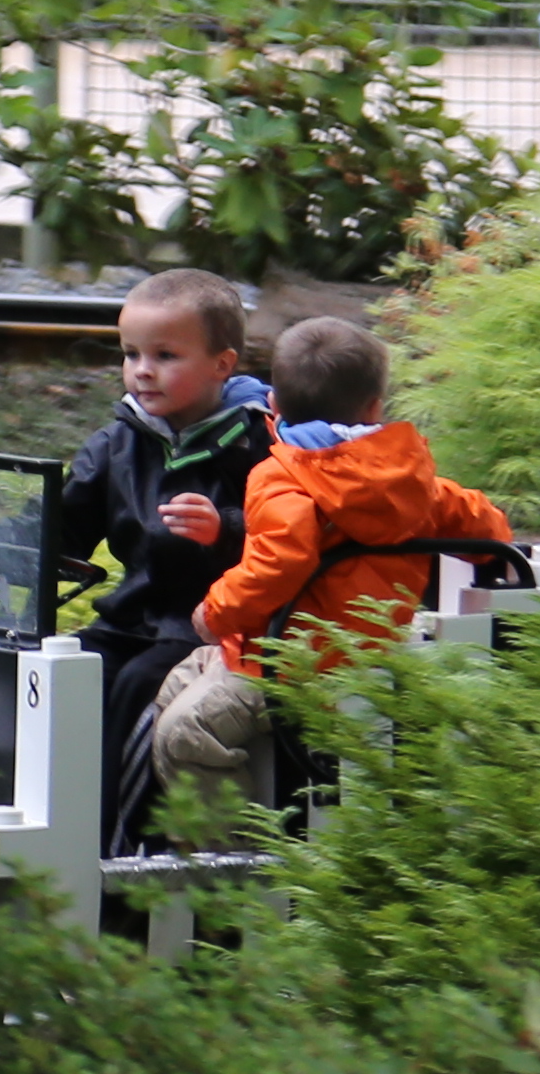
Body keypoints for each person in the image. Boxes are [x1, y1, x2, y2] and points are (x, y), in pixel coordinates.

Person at [136, 315, 513, 822]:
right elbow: (481, 525)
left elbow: (279, 562)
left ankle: (237, 854)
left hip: (293, 667)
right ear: (376, 407)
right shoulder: (406, 476)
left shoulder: (281, 478)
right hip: (369, 649)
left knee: (183, 734)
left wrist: (216, 610)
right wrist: (492, 556)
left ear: (273, 407)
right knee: (181, 681)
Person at [59, 268, 271, 851]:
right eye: (130, 353)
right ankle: (56, 817)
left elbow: (289, 536)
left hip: (207, 626)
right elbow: (66, 525)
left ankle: (121, 848)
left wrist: (225, 529)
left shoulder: (258, 443)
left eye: (165, 355)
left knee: (138, 686)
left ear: (222, 365)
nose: (142, 370)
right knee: (64, 667)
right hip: (132, 618)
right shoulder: (119, 441)